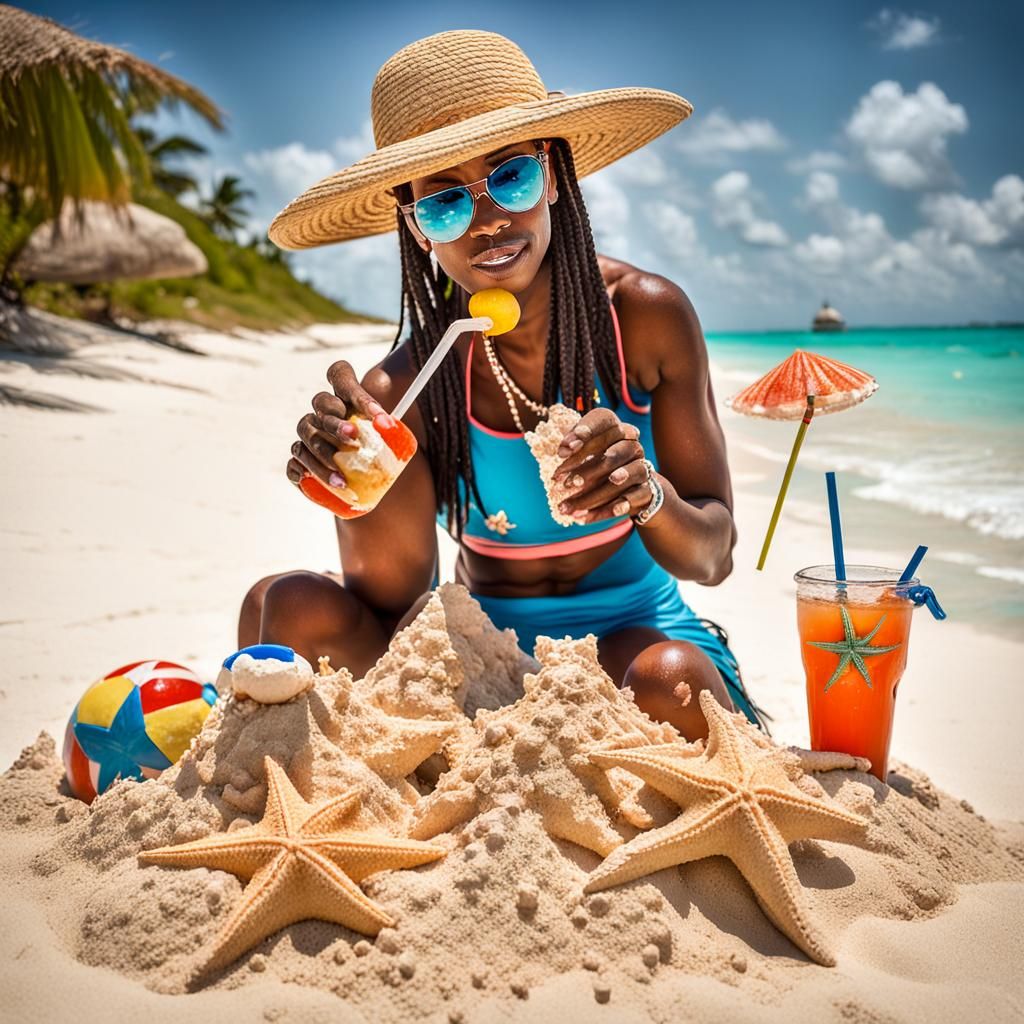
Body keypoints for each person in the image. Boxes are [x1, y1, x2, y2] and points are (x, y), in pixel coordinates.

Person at [241, 29, 766, 740]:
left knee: (659, 675)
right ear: (415, 223)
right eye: (445, 202)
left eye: (510, 177)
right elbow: (395, 605)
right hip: (489, 671)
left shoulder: (643, 317)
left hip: (644, 644)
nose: (488, 219)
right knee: (285, 606)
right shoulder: (408, 385)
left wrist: (646, 493)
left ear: (552, 173)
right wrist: (350, 478)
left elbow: (715, 556)